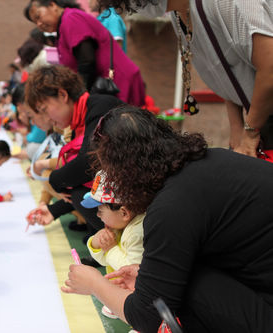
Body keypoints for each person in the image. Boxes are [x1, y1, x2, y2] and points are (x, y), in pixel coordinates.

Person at [63, 105, 273, 332]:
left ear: (124, 172)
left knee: (181, 291)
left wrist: (95, 284)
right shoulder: (211, 158)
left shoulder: (171, 206)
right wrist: (149, 276)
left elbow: (148, 316)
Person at [100, 0, 273, 158]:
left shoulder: (231, 3)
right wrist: (237, 126)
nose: (135, 7)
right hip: (258, 118)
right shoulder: (180, 15)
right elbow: (225, 70)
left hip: (260, 118)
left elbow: (269, 69)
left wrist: (250, 132)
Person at [24, 66, 123, 262]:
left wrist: (55, 180)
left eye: (44, 110)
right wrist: (54, 209)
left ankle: (120, 246)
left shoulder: (100, 108)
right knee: (78, 191)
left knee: (76, 186)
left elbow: (90, 160)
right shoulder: (81, 119)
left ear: (62, 95)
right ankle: (106, 242)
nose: (47, 119)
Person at [24, 0, 145, 106]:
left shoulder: (71, 18)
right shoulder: (63, 25)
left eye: (38, 16)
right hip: (106, 87)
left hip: (116, 83)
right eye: (35, 22)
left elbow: (87, 61)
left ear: (52, 5)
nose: (39, 24)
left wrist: (79, 97)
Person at [81, 171, 144, 319]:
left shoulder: (137, 233)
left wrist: (110, 249)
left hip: (141, 292)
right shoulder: (119, 225)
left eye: (100, 210)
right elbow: (106, 260)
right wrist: (97, 243)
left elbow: (131, 271)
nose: (97, 215)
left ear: (124, 213)